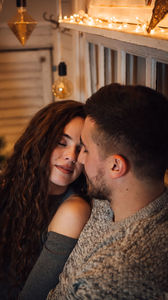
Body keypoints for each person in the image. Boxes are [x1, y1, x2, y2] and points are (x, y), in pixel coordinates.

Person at [47, 83, 168, 299]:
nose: (79, 159)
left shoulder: (111, 278)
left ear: (115, 167)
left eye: (85, 148)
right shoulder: (111, 201)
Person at [0, 100, 91, 300]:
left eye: (81, 149)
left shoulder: (73, 210)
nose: (71, 156)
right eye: (61, 142)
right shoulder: (10, 183)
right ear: (41, 141)